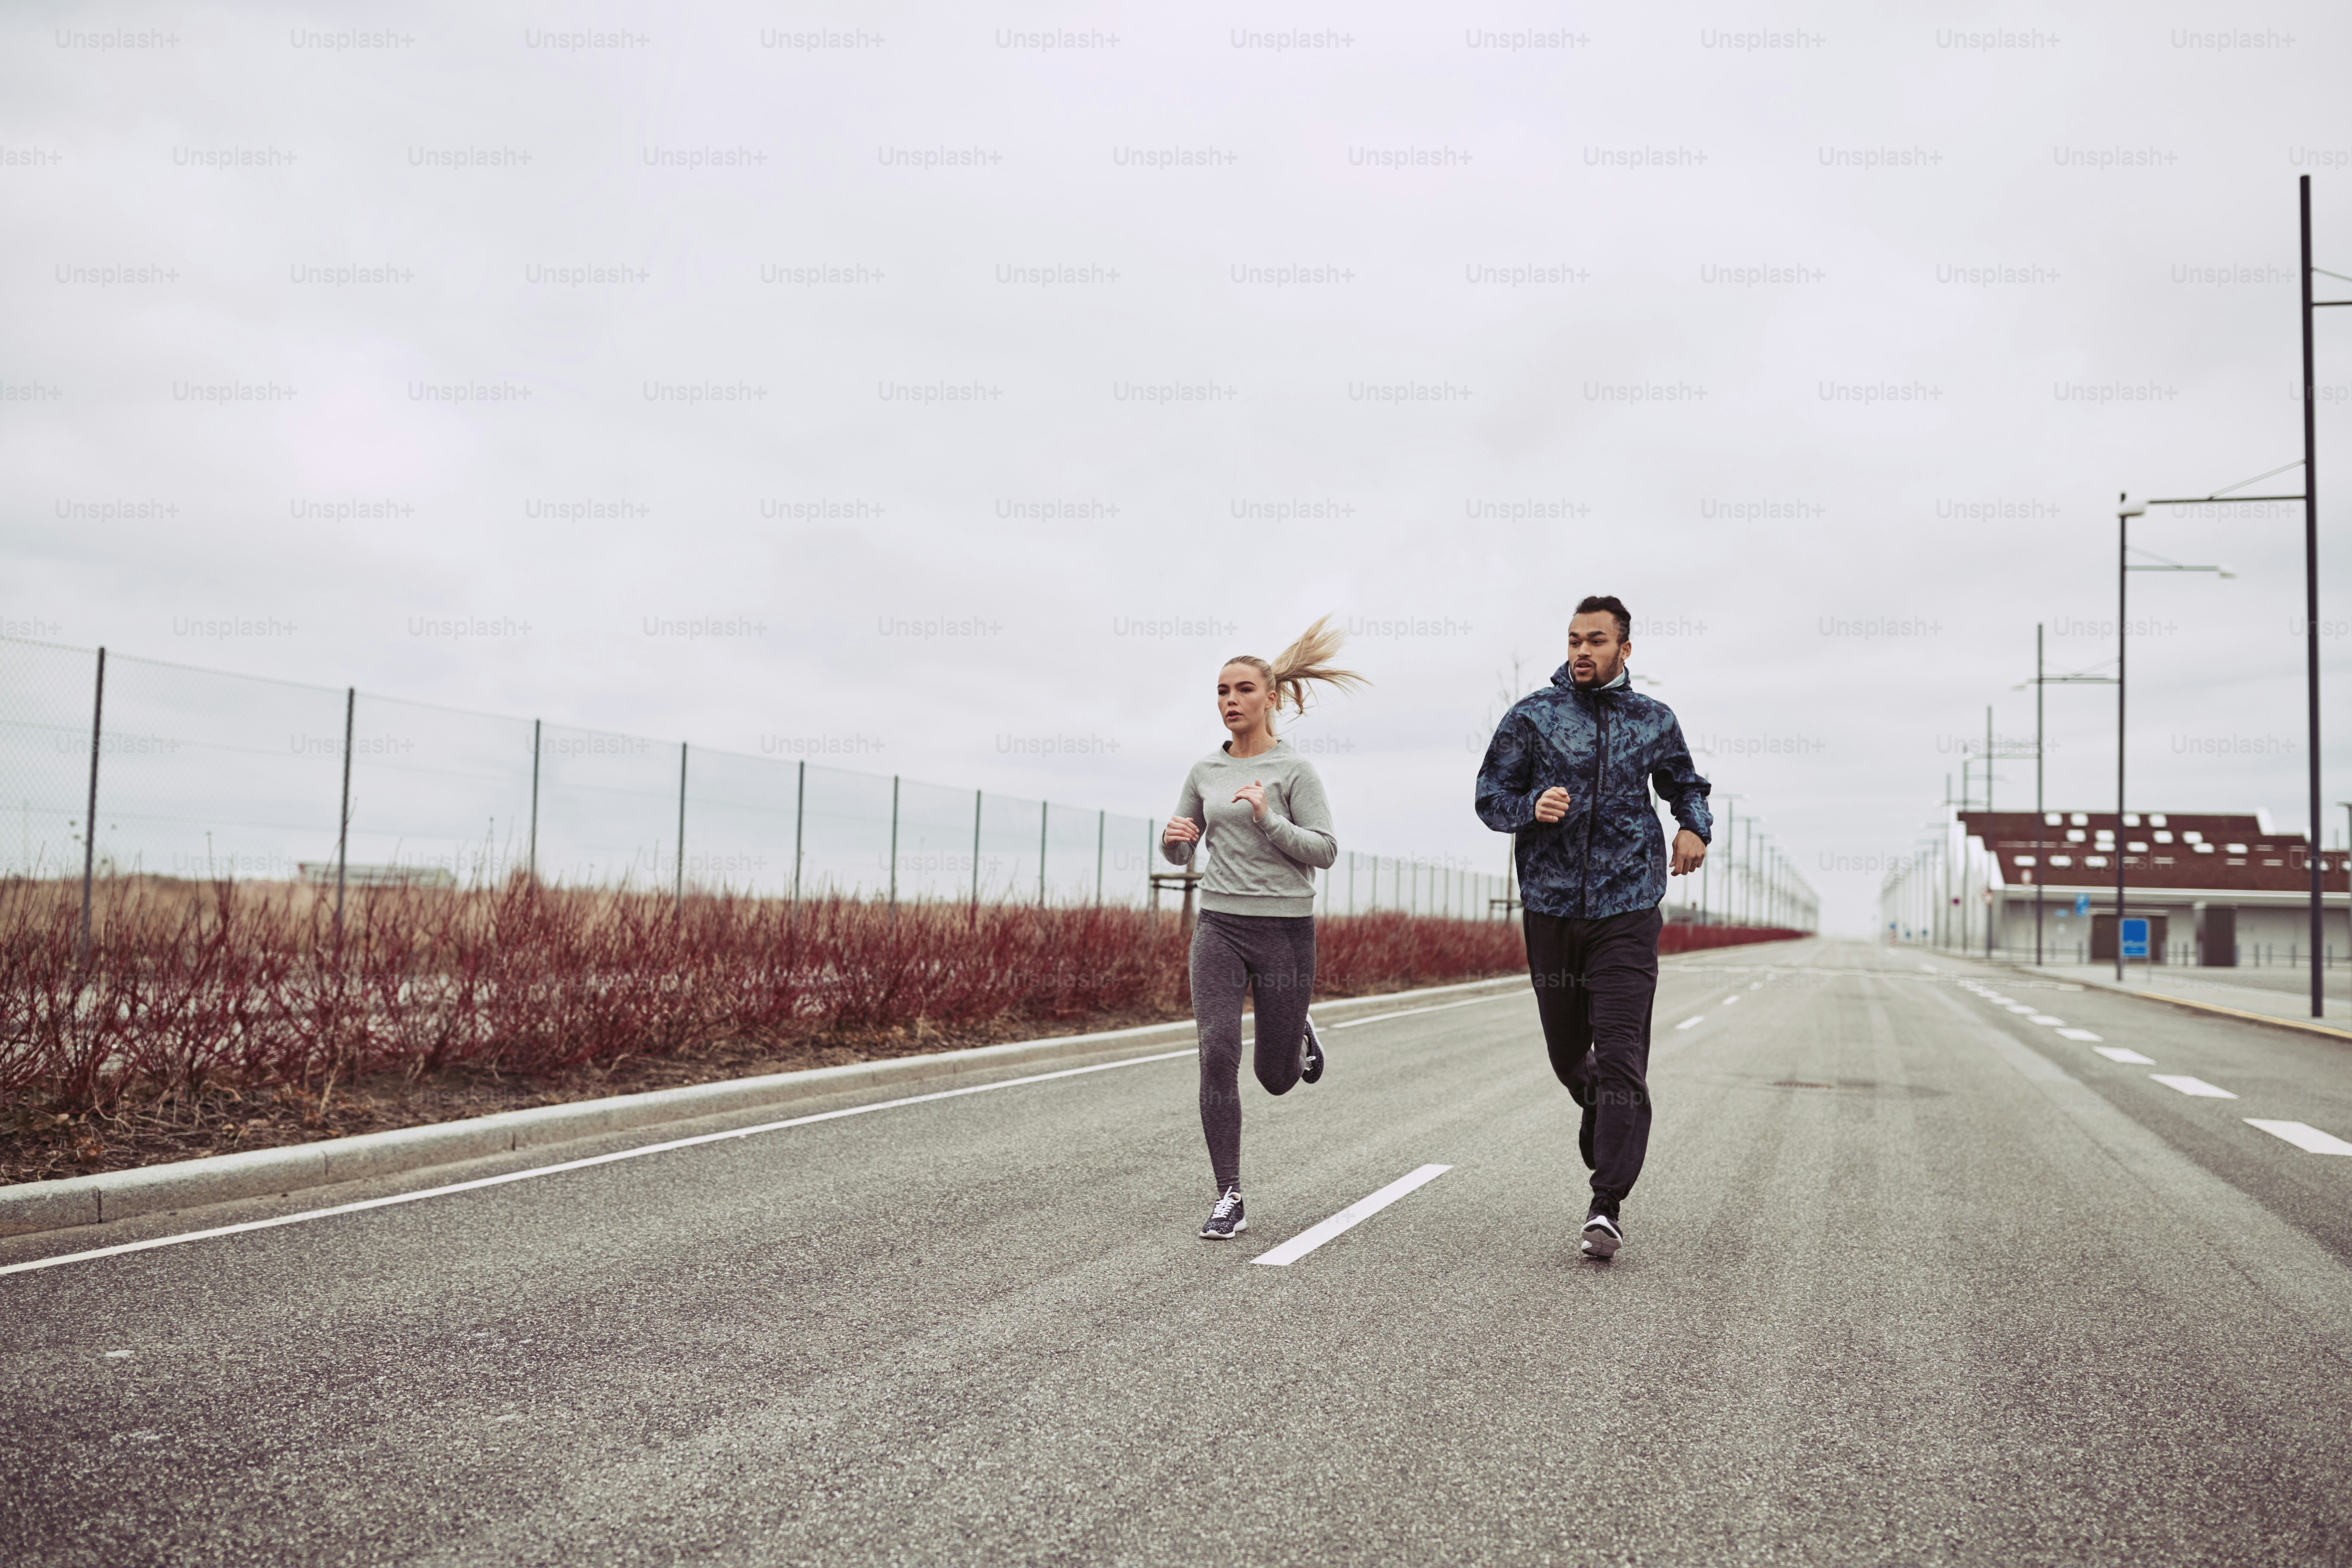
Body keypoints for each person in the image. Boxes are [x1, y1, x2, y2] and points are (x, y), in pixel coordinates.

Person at [1475, 595, 1711, 1260]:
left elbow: (1685, 783)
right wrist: (1532, 806)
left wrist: (1694, 826)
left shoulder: (1652, 719)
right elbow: (1490, 799)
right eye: (1575, 640)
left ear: (1624, 651)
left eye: (1597, 641)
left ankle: (1606, 1204)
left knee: (1621, 1056)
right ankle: (1602, 1109)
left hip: (1628, 908)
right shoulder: (1533, 717)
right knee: (1568, 1055)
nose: (1583, 651)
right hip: (1550, 909)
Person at [1163, 617, 1363, 1240]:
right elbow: (1180, 851)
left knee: (1275, 1079)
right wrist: (1176, 844)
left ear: (1270, 698)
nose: (1230, 701)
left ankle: (1296, 1026)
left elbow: (1325, 851)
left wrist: (1268, 819)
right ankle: (1230, 1195)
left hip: (1284, 932)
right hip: (1219, 925)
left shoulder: (1295, 772)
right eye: (1222, 691)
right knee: (1216, 1052)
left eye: (1243, 690)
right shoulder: (1203, 772)